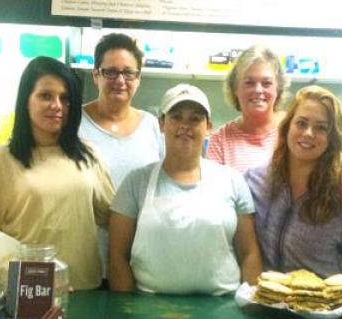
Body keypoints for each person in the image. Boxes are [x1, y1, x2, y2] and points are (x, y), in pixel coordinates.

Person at [0, 56, 114, 290]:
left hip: (85, 290)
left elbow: (113, 218)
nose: (57, 105)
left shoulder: (89, 155)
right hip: (25, 296)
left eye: (65, 98)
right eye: (46, 96)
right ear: (26, 100)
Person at [108, 84, 262, 295]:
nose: (185, 125)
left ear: (208, 126)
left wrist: (249, 305)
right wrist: (127, 308)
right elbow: (117, 256)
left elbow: (249, 254)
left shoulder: (232, 180)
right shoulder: (136, 182)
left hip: (221, 306)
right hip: (151, 306)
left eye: (195, 118)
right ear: (162, 123)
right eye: (176, 117)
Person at [206, 44, 342, 216]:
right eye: (249, 83)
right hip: (238, 238)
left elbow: (335, 153)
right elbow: (215, 199)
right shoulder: (220, 141)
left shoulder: (295, 130)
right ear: (235, 89)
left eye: (266, 83)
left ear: (278, 89)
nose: (258, 90)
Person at [244, 85, 342, 284]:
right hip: (269, 303)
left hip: (323, 309)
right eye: (301, 123)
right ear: (288, 126)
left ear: (332, 138)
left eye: (321, 128)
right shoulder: (255, 181)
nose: (308, 133)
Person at [78, 33, 164, 281]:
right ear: (96, 75)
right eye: (111, 72)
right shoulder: (75, 123)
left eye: (129, 73)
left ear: (139, 78)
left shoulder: (150, 125)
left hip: (139, 258)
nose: (120, 80)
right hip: (86, 258)